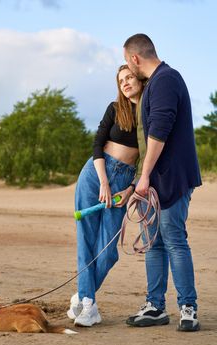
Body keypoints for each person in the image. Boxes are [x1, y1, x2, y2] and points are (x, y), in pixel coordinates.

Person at [123, 34, 202, 332]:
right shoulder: (156, 83)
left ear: (134, 58)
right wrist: (141, 181)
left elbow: (160, 130)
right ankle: (155, 306)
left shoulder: (166, 79)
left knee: (174, 240)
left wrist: (143, 176)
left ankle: (188, 307)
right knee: (153, 244)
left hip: (172, 178)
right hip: (155, 181)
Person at [67, 65, 143, 327]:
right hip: (95, 174)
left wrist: (129, 188)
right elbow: (97, 144)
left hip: (124, 180)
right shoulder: (115, 108)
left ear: (140, 78)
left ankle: (81, 295)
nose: (125, 83)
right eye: (121, 80)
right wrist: (103, 182)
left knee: (108, 251)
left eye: (129, 77)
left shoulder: (151, 113)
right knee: (86, 241)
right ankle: (88, 306)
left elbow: (148, 162)